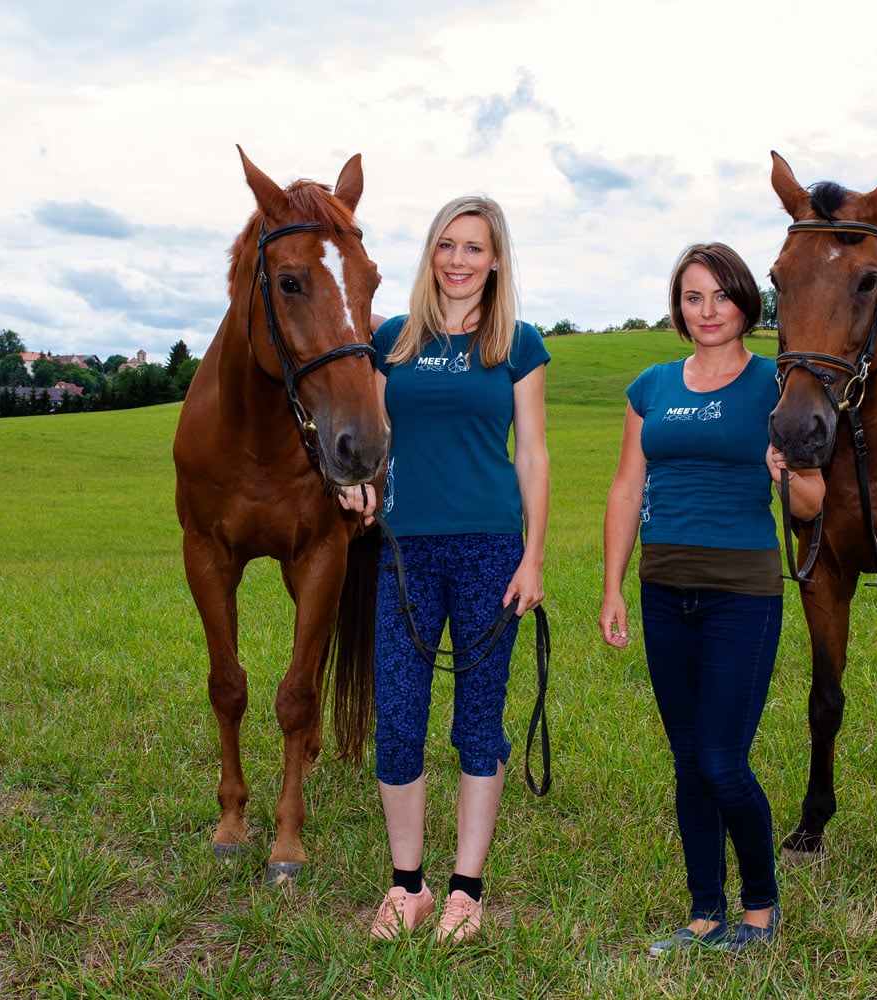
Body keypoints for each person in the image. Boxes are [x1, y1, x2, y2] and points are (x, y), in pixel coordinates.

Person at [598, 242, 825, 955]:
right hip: (663, 589)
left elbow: (814, 502)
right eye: (693, 297)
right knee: (688, 758)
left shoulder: (774, 386)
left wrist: (782, 471)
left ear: (744, 303)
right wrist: (613, 587)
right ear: (679, 306)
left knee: (722, 760)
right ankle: (704, 912)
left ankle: (761, 904)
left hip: (742, 596)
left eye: (721, 296)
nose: (707, 310)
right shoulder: (652, 386)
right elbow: (627, 488)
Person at [338, 195, 549, 944]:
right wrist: (356, 482)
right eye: (447, 246)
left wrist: (534, 555)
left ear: (495, 262)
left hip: (490, 550)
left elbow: (532, 453)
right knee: (398, 716)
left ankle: (465, 890)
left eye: (475, 248)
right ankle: (407, 886)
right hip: (402, 552)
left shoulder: (517, 344)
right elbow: (373, 436)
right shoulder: (390, 341)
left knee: (477, 721)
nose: (459, 260)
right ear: (432, 255)